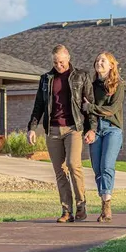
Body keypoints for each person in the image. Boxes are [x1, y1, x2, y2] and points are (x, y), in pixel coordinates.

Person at [27, 45, 97, 223]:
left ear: (68, 58)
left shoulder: (81, 76)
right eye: (55, 62)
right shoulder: (46, 79)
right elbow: (39, 106)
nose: (59, 65)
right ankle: (67, 211)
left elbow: (89, 104)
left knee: (74, 165)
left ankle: (81, 205)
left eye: (61, 62)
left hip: (73, 128)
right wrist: (32, 128)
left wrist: (92, 128)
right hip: (53, 130)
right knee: (59, 171)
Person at [83, 52, 126, 223]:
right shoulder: (92, 86)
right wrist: (90, 129)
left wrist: (90, 107)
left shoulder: (119, 85)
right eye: (97, 60)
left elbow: (112, 110)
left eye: (103, 60)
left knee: (107, 165)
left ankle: (107, 204)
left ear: (111, 66)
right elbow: (87, 112)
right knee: (97, 168)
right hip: (96, 129)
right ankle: (104, 202)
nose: (99, 62)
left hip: (112, 129)